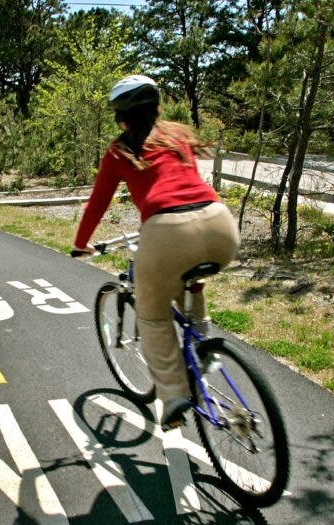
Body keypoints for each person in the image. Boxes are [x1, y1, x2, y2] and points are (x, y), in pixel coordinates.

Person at [72, 75, 240, 430]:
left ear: (121, 117)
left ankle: (174, 395)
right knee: (188, 278)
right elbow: (184, 186)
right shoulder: (177, 135)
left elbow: (97, 204)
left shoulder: (120, 150)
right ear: (157, 107)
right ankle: (203, 350)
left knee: (152, 316)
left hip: (167, 232)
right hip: (220, 223)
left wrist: (80, 243)